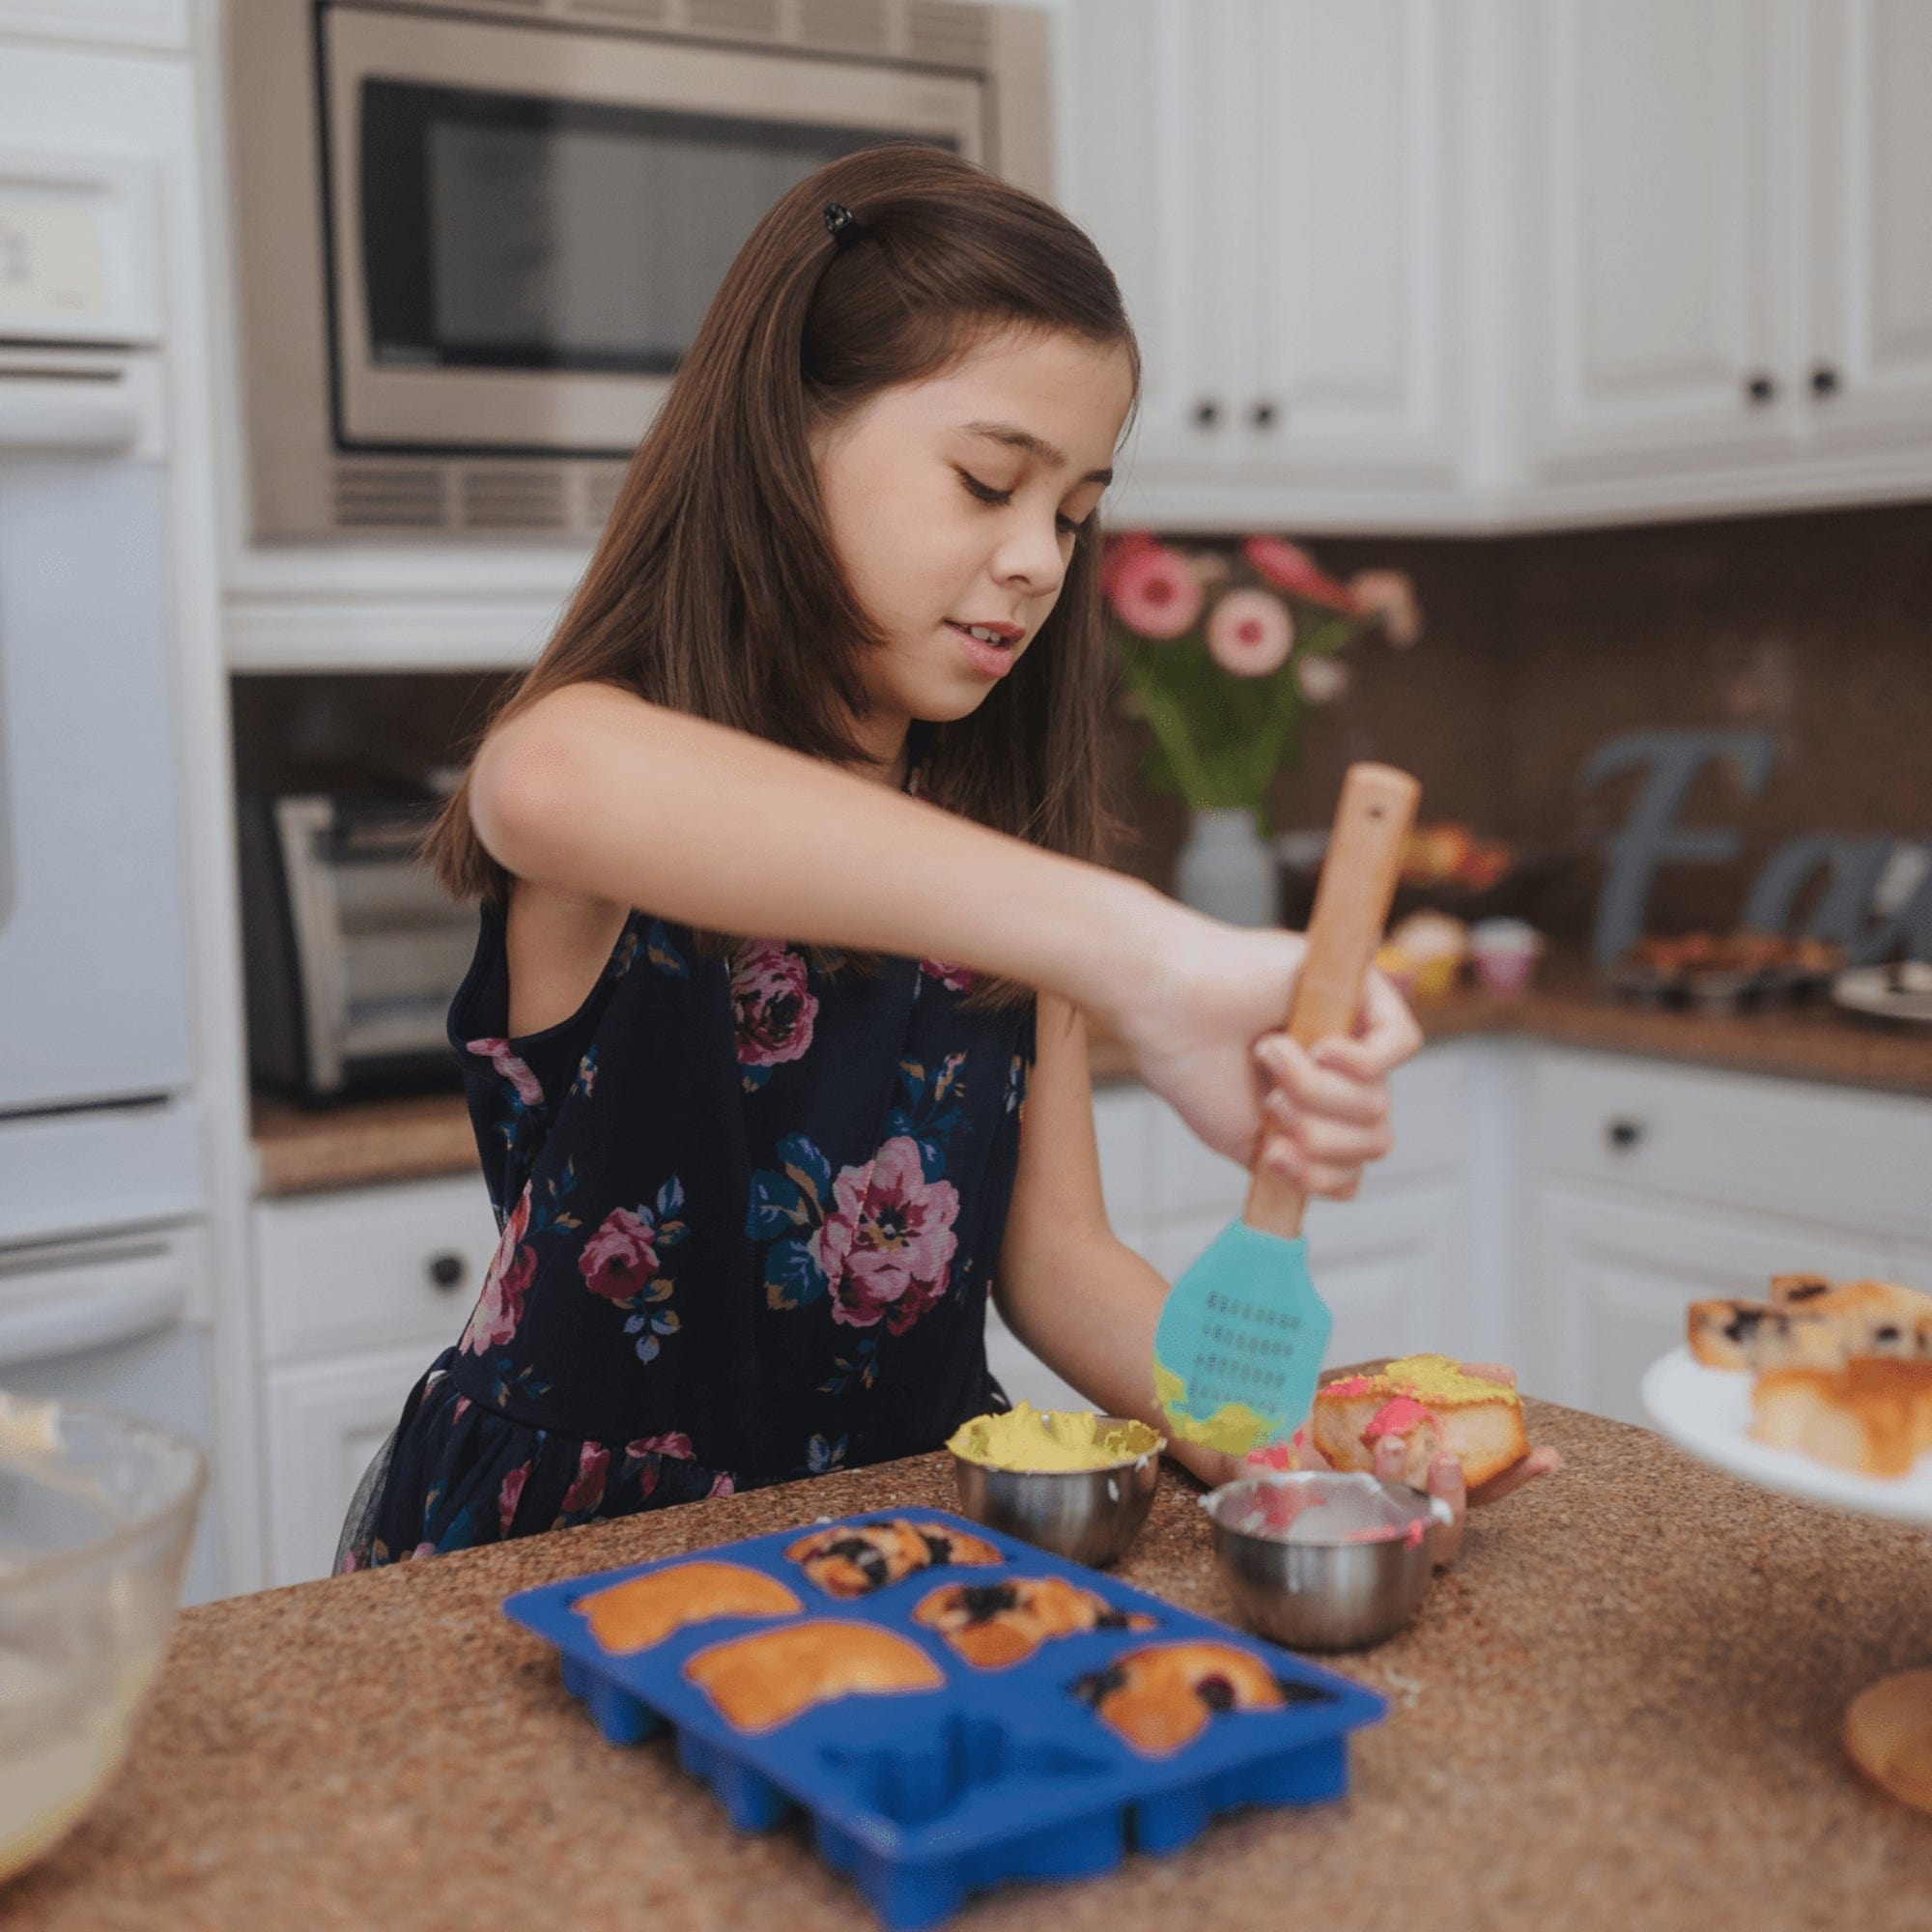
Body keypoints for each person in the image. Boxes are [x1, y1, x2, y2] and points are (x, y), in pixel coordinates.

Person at [335, 145, 1520, 1574]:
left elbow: (1061, 1265)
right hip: (574, 1561)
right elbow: (544, 776)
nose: (1037, 558)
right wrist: (1142, 949)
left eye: (1074, 515)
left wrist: (1302, 1465)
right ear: (787, 436)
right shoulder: (625, 767)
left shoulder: (1006, 853)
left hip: (909, 1542)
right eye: (985, 483)